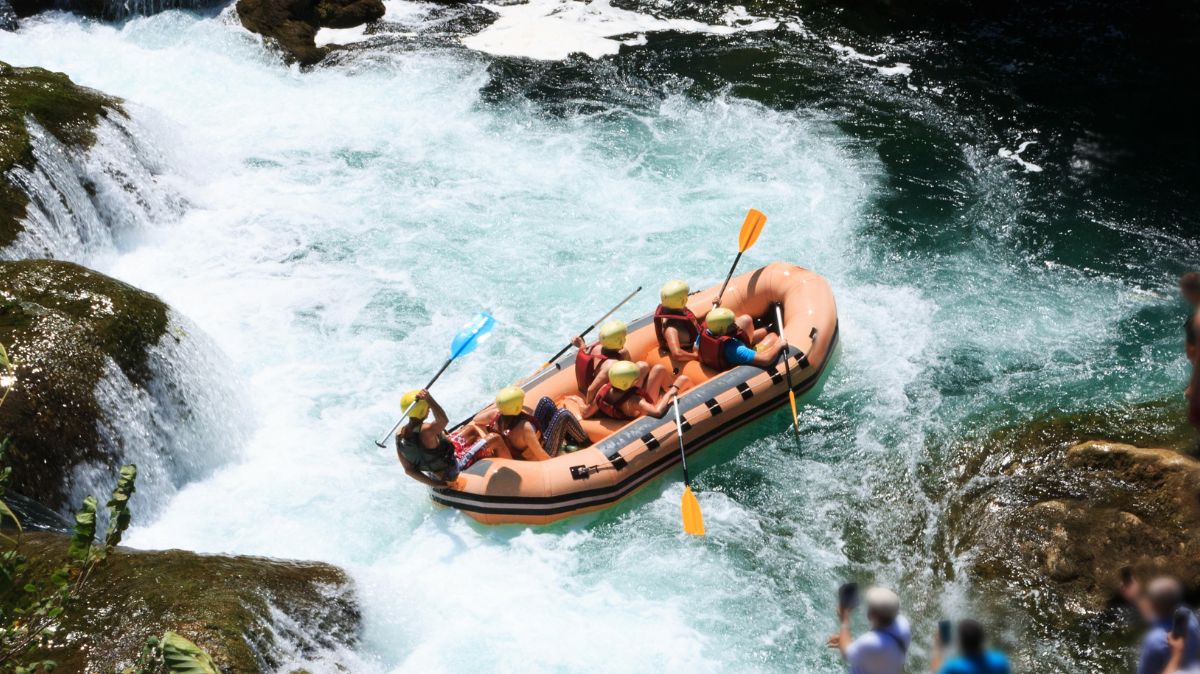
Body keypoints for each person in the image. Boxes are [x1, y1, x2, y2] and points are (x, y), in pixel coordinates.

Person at [395, 389, 487, 488]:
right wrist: (429, 399)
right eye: (427, 406)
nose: (429, 408)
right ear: (421, 410)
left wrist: (435, 484)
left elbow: (408, 470)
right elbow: (443, 420)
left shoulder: (399, 435)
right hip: (452, 472)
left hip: (433, 474)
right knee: (493, 438)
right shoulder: (426, 430)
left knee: (470, 429)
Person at [483, 386, 589, 460]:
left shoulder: (495, 415)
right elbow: (542, 456)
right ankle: (586, 443)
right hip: (544, 453)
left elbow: (477, 418)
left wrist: (500, 406)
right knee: (564, 414)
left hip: (533, 443)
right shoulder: (525, 428)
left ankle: (568, 437)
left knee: (545, 402)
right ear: (516, 407)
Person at [1121, 576, 1200, 674]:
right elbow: (1160, 617)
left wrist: (1176, 654)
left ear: (1154, 605)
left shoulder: (1154, 641)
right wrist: (1137, 597)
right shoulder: (1188, 617)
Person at [826, 586, 911, 674]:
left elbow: (847, 654)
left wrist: (844, 619)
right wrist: (846, 641)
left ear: (871, 614)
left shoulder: (872, 642)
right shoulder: (902, 625)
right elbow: (880, 650)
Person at [573, 360, 690, 421]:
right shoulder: (636, 400)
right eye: (636, 379)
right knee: (663, 371)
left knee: (650, 367)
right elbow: (657, 412)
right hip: (636, 411)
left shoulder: (603, 390)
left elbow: (585, 413)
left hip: (622, 403)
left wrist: (577, 400)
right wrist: (672, 391)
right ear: (631, 383)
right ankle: (677, 389)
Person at [696, 306, 784, 371]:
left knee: (747, 323)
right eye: (731, 324)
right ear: (722, 330)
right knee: (773, 336)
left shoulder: (705, 333)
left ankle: (767, 328)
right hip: (735, 359)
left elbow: (695, 348)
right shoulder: (735, 349)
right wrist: (779, 345)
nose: (735, 324)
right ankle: (771, 331)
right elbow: (766, 360)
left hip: (720, 356)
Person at [572, 319, 631, 402]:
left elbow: (585, 351)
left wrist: (581, 344)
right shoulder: (611, 365)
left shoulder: (594, 348)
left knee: (625, 353)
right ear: (620, 341)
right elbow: (591, 390)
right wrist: (588, 409)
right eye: (624, 337)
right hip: (601, 395)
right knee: (641, 366)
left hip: (588, 385)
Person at [653, 280, 703, 368]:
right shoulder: (671, 328)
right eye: (686, 295)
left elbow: (694, 322)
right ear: (683, 300)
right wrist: (696, 355)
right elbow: (677, 354)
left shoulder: (681, 312)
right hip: (690, 353)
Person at [930, 620, 1010, 674]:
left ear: (960, 643)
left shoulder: (954, 667)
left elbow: (936, 671)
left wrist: (938, 647)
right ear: (982, 639)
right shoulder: (999, 661)